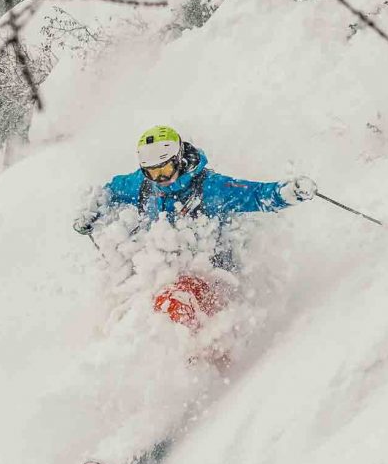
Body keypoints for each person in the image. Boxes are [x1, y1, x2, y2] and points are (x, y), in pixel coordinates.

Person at [74, 124, 316, 334]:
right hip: (164, 274)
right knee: (136, 307)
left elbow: (254, 195)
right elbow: (112, 189)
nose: (160, 179)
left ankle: (190, 362)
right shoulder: (143, 185)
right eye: (152, 172)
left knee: (174, 304)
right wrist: (93, 209)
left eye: (165, 170)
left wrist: (286, 193)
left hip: (211, 274)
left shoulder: (209, 188)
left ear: (179, 159)